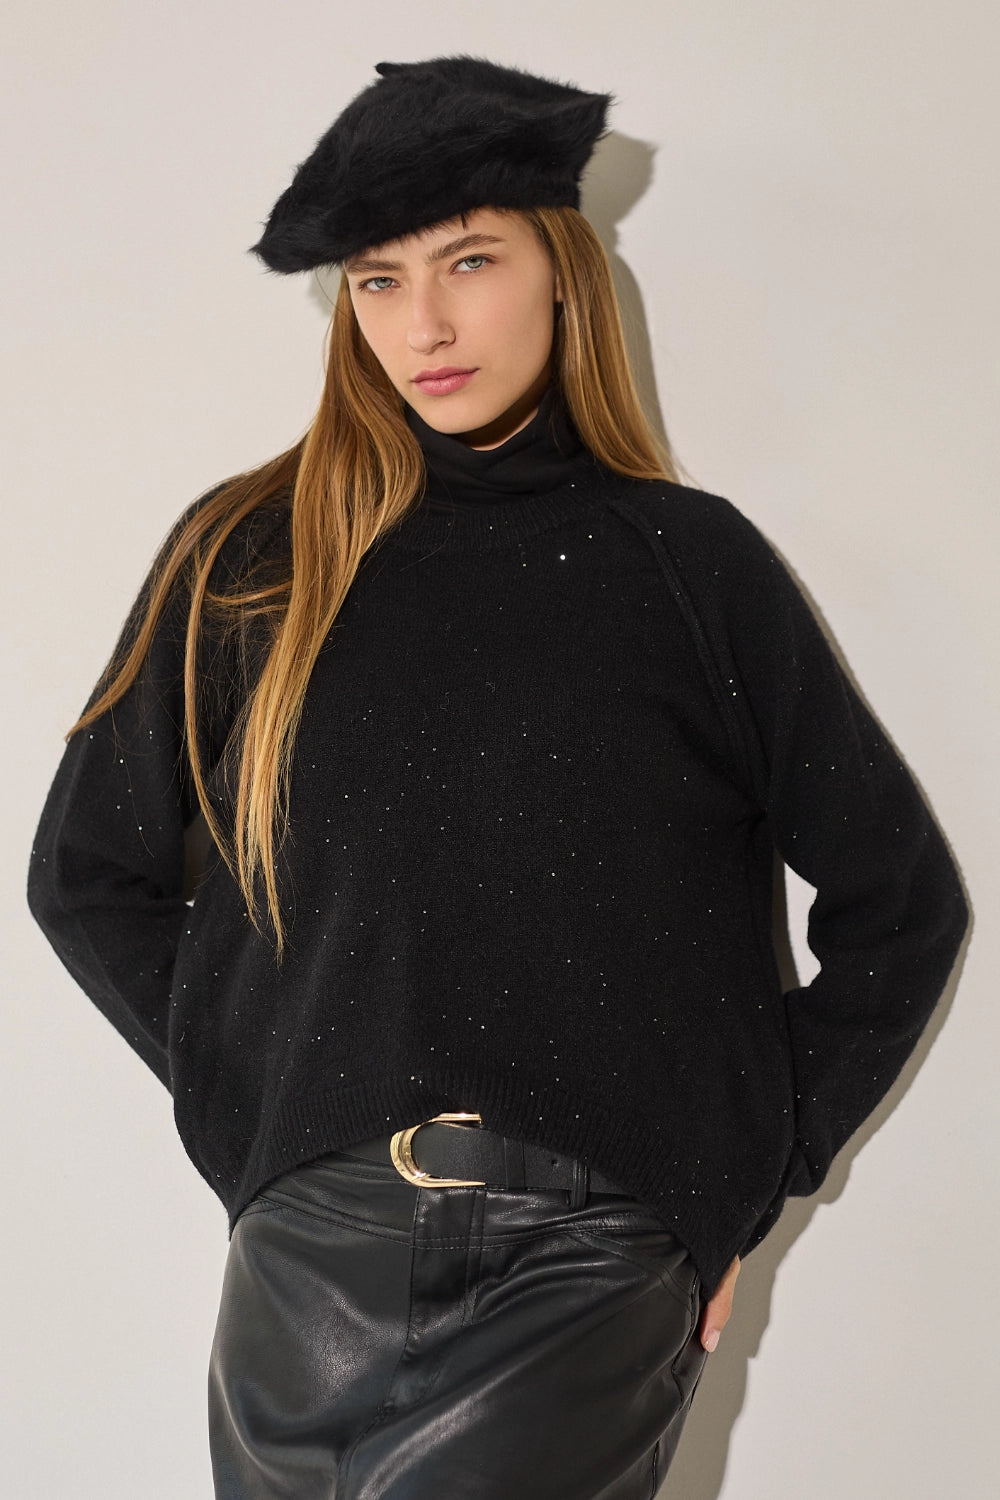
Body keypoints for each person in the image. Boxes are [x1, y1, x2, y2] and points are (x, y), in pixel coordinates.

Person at [27, 55, 968, 1499]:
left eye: (469, 261)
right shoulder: (251, 559)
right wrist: (268, 1109)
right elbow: (86, 875)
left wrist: (735, 1175)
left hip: (583, 1264)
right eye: (379, 281)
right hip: (305, 1268)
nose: (426, 324)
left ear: (561, 272)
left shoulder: (690, 568)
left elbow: (900, 904)